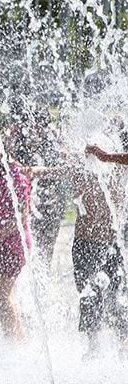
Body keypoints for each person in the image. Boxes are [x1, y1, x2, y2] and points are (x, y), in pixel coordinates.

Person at [71, 146, 128, 351]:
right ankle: (93, 347)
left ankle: (123, 345)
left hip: (112, 242)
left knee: (116, 295)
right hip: (85, 241)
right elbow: (59, 169)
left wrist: (106, 156)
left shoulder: (116, 169)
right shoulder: (81, 169)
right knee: (88, 293)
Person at [0, 139, 32, 342]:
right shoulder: (3, 176)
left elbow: (23, 215)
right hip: (3, 241)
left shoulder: (16, 177)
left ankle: (17, 343)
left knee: (2, 293)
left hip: (13, 243)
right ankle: (17, 337)